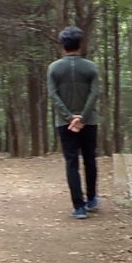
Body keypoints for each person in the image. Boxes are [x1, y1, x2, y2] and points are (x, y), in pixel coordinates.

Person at [47, 26, 101, 219]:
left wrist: (69, 117)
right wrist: (82, 117)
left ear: (63, 45)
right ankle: (92, 198)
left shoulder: (53, 68)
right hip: (89, 122)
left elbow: (53, 95)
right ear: (81, 44)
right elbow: (95, 93)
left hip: (64, 123)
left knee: (71, 163)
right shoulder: (91, 67)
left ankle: (79, 207)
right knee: (89, 160)